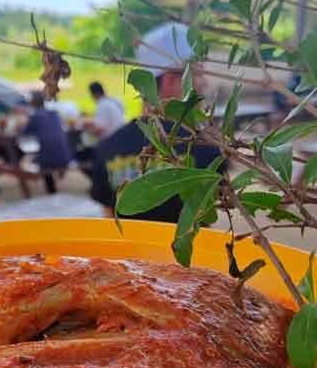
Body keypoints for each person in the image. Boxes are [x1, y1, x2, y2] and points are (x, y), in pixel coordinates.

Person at [89, 23, 223, 223]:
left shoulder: (108, 147)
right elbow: (208, 213)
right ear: (171, 80)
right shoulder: (208, 149)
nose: (205, 83)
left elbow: (110, 218)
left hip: (129, 254)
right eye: (198, 73)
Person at [17, 91, 73, 194]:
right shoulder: (54, 114)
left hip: (49, 158)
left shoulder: (35, 116)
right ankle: (55, 181)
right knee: (45, 152)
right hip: (66, 155)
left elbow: (24, 133)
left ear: (32, 103)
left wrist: (21, 123)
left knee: (38, 159)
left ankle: (51, 191)